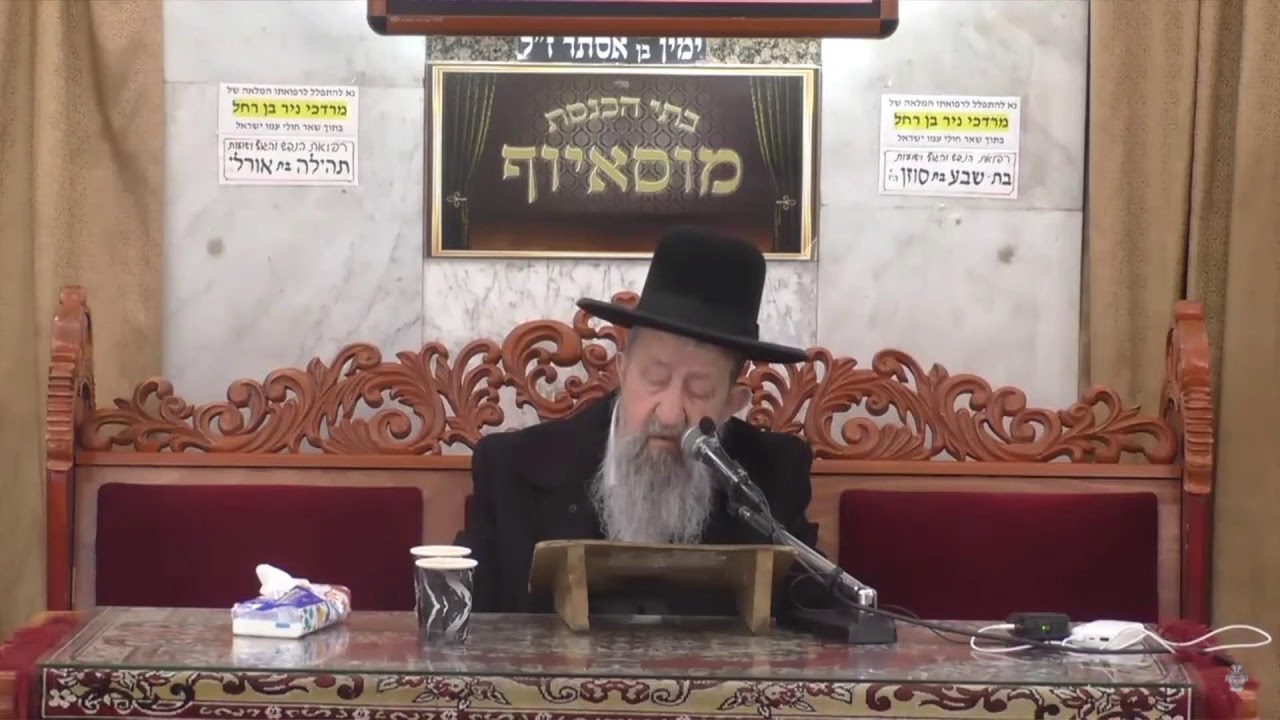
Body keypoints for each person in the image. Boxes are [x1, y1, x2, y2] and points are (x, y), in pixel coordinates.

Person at [457, 227, 822, 615]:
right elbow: (463, 620)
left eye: (699, 391)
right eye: (655, 378)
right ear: (622, 370)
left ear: (731, 404)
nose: (670, 413)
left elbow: (819, 620)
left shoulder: (770, 480)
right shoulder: (512, 469)